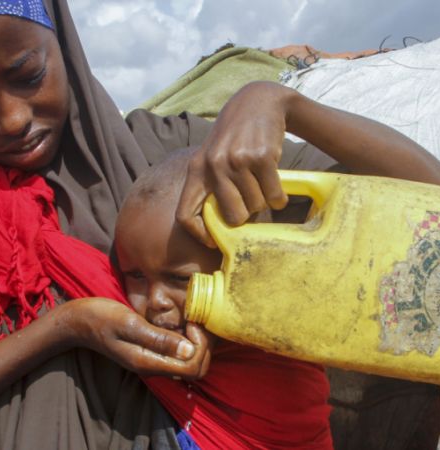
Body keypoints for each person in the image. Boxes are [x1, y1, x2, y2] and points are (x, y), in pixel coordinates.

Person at [0, 0, 440, 449]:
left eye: (27, 73)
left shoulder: (166, 158)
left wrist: (279, 103)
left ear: (61, 42)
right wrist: (59, 330)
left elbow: (428, 198)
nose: (11, 118)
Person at [114, 148, 332, 450]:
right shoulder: (131, 350)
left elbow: (420, 180)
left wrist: (285, 104)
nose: (156, 301)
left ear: (249, 270)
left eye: (180, 279)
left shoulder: (284, 352)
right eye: (135, 276)